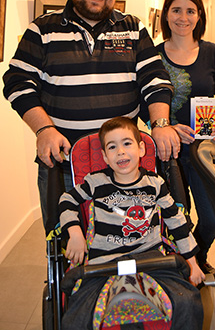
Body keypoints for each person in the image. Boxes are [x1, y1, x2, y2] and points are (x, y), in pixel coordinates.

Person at [2, 0, 180, 227]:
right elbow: (17, 81)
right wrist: (44, 130)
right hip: (64, 160)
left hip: (123, 162)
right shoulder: (42, 29)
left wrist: (161, 123)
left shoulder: (133, 28)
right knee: (66, 240)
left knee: (127, 234)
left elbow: (154, 80)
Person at [59, 116, 205, 330]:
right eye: (112, 147)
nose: (120, 151)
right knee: (76, 319)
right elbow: (67, 200)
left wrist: (192, 262)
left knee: (188, 301)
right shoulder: (96, 181)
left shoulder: (156, 184)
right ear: (105, 157)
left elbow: (176, 221)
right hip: (104, 264)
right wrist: (75, 234)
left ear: (141, 149)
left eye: (127, 143)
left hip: (152, 261)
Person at [156, 0, 215, 272]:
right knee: (178, 216)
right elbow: (143, 103)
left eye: (190, 10)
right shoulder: (153, 56)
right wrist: (167, 126)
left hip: (204, 151)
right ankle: (183, 266)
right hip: (168, 152)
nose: (183, 17)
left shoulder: (213, 53)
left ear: (199, 15)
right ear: (166, 14)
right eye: (176, 10)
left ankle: (197, 258)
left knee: (213, 216)